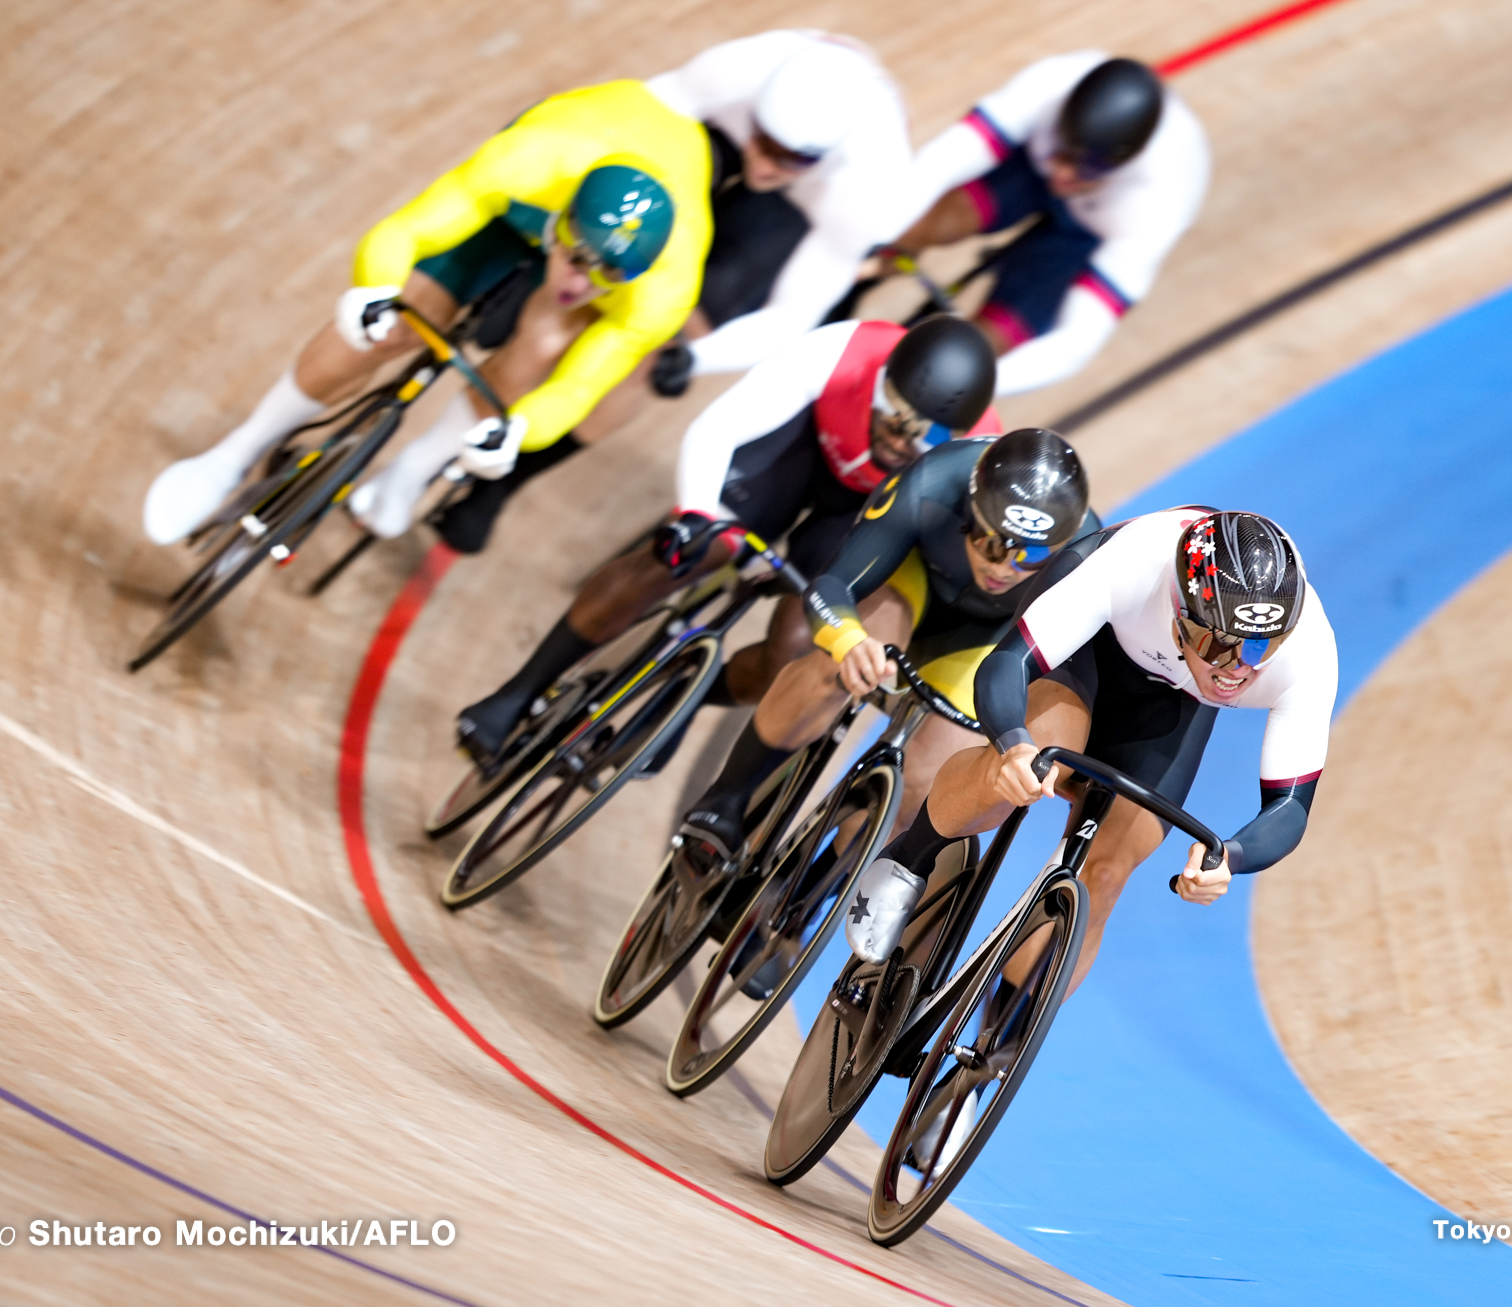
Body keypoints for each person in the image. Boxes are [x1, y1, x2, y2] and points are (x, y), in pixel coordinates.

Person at [141, 78, 710, 552]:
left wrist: (515, 433)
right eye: (575, 256)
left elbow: (578, 387)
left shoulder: (664, 291)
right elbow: (405, 230)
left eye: (605, 275)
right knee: (398, 322)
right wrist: (373, 291)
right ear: (562, 217)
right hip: (528, 192)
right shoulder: (529, 161)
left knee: (542, 346)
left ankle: (412, 472)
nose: (579, 281)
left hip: (624, 200)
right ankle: (232, 454)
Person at [453, 315, 1000, 770]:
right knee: (688, 551)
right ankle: (517, 693)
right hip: (797, 452)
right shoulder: (843, 351)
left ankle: (688, 693)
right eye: (896, 419)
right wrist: (696, 514)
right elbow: (721, 425)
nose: (903, 441)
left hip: (866, 514)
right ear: (882, 381)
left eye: (926, 436)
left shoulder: (977, 458)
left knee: (794, 651)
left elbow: (927, 558)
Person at [851, 507, 1338, 992]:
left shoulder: (1307, 648)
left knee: (1105, 872)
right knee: (1029, 767)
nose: (1238, 669)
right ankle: (909, 856)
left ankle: (998, 1035)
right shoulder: (1132, 565)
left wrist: (1230, 857)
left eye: (1260, 649)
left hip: (1176, 699)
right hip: (1089, 647)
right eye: (1220, 647)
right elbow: (1006, 665)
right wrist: (1013, 744)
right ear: (1181, 619)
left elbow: (1290, 806)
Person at [677, 427, 1098, 861]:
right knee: (834, 668)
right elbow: (834, 585)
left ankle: (802, 893)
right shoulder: (935, 479)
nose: (1006, 570)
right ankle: (726, 798)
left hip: (986, 639)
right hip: (908, 586)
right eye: (992, 545)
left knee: (923, 788)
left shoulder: (1087, 556)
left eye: (1031, 556)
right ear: (969, 512)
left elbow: (1068, 683)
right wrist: (847, 638)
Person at [882, 52, 1210, 397]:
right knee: (925, 222)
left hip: (1091, 235)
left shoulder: (1159, 201)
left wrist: (971, 387)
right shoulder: (1049, 85)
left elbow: (1075, 344)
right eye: (1064, 150)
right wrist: (880, 235)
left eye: (1085, 169)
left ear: (1123, 166)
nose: (1063, 173)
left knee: (986, 345)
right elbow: (936, 166)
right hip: (1028, 167)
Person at [642, 30, 914, 394]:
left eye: (789, 157)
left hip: (812, 203)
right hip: (733, 128)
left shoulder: (862, 190)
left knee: (708, 306)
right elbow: (637, 117)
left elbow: (789, 316)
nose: (764, 165)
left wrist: (696, 357)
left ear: (823, 156)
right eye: (764, 141)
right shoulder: (734, 74)